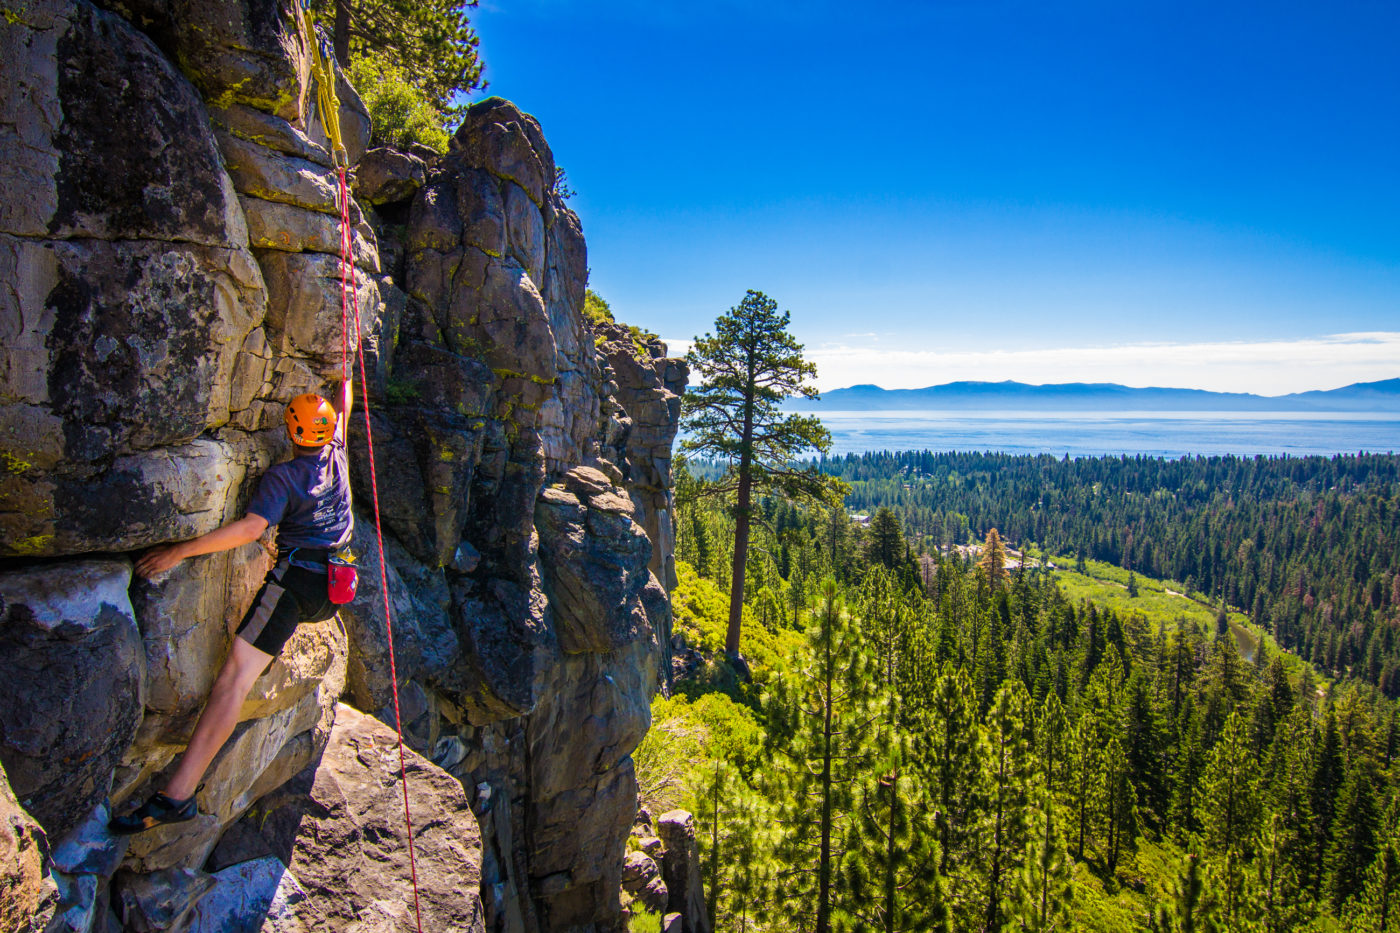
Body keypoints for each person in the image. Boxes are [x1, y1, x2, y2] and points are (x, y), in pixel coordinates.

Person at [110, 382, 355, 834]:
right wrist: (344, 380)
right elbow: (344, 408)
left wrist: (179, 552)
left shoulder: (284, 478)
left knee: (232, 682)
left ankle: (176, 797)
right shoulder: (336, 452)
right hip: (334, 589)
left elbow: (249, 529)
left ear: (291, 433)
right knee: (244, 669)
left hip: (295, 584)